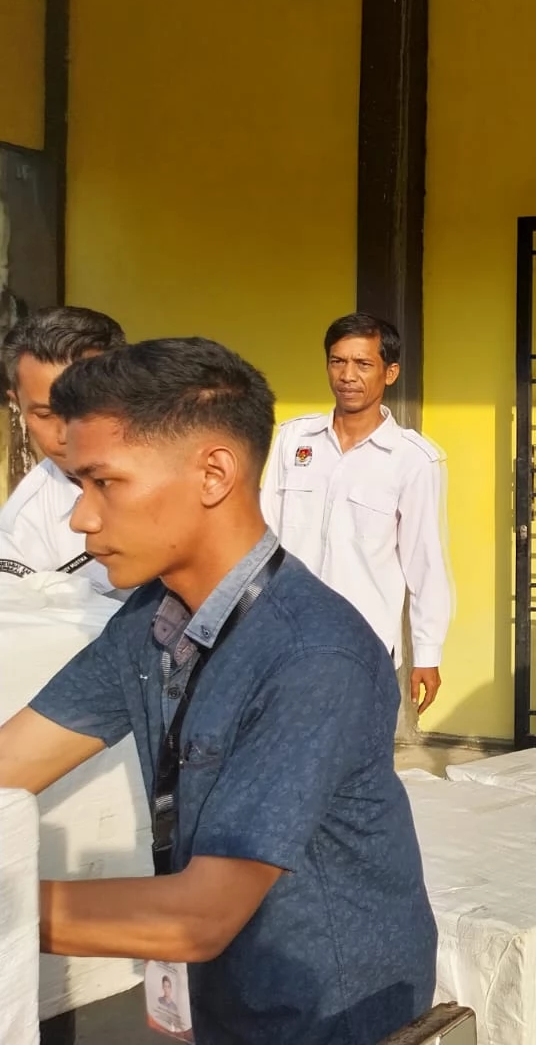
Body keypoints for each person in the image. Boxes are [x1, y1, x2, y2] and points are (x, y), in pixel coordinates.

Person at [0, 338, 437, 1044]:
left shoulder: (314, 655)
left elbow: (197, 918)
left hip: (332, 1018)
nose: (80, 519)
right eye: (77, 486)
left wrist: (8, 908)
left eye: (104, 483)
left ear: (213, 474)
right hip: (222, 1002)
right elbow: (12, 760)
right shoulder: (149, 622)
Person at [261, 313, 452, 715]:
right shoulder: (294, 439)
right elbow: (263, 535)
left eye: (363, 364)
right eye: (338, 361)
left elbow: (426, 563)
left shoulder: (413, 460)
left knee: (350, 748)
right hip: (283, 637)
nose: (347, 375)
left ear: (390, 373)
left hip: (362, 645)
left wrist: (427, 653)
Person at [0, 306, 126, 592]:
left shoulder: (197, 475)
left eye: (84, 408)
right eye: (45, 415)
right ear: (18, 404)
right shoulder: (21, 527)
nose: (66, 435)